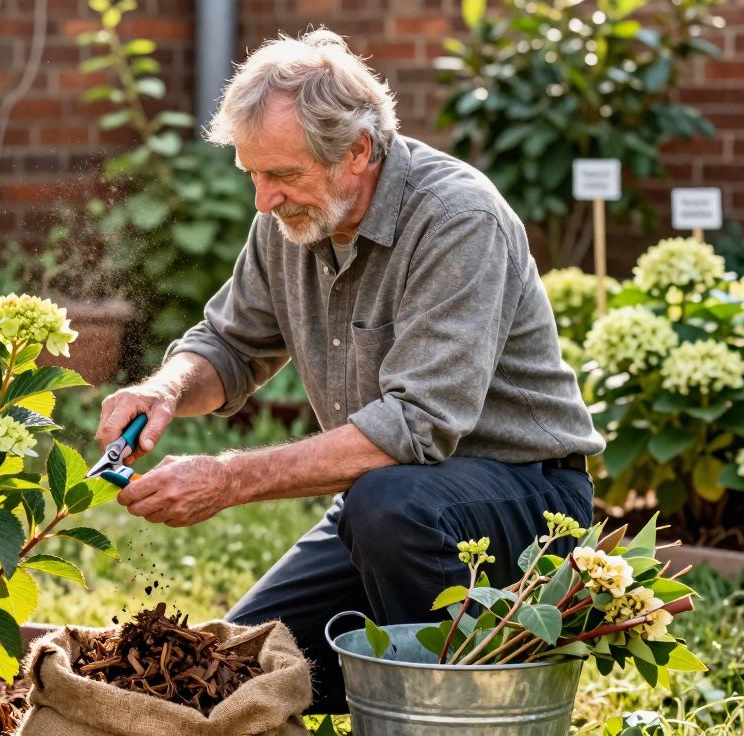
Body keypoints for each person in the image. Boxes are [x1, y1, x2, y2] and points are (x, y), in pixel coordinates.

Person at [93, 28, 605, 714]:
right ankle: (384, 686)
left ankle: (452, 714)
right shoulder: (290, 222)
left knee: (387, 506)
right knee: (231, 672)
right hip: (391, 510)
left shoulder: (456, 218)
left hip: (525, 505)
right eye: (253, 174)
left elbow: (416, 427)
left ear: (359, 150)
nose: (263, 201)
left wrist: (227, 478)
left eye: (283, 175)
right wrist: (165, 388)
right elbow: (231, 343)